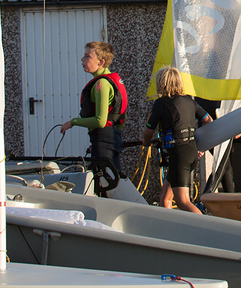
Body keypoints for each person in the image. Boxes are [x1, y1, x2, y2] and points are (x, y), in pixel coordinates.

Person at [60, 41, 128, 197]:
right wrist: (114, 136)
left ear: (101, 62)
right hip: (113, 139)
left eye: (87, 56)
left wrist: (73, 122)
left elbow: (100, 121)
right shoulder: (112, 81)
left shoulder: (101, 84)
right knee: (112, 185)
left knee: (104, 189)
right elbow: (121, 117)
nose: (82, 60)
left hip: (103, 141)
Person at [142, 66, 212, 212]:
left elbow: (148, 132)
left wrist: (146, 143)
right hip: (190, 151)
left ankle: (205, 229)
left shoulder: (160, 104)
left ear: (161, 83)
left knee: (183, 201)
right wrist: (201, 145)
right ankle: (169, 229)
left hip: (179, 155)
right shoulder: (189, 100)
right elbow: (207, 119)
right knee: (165, 198)